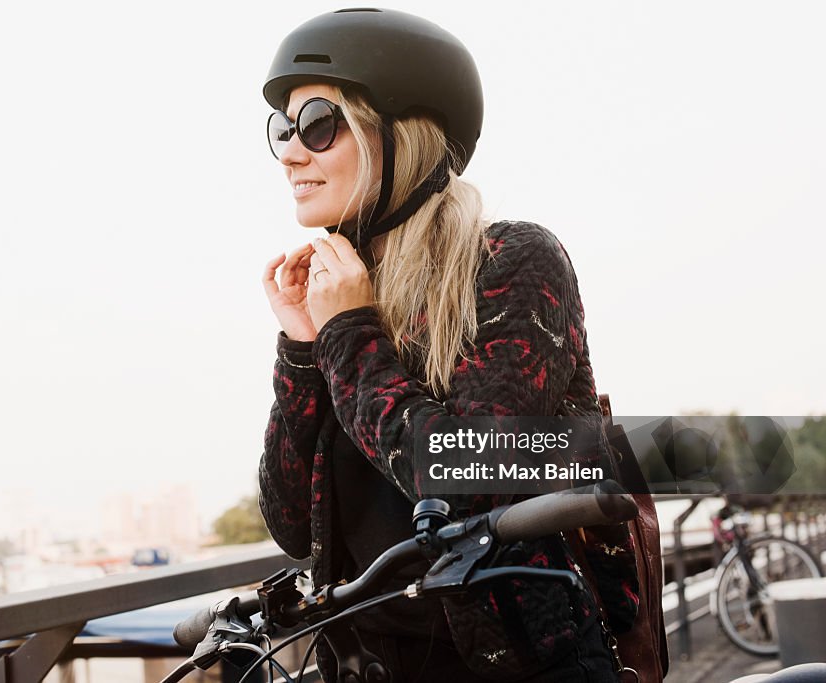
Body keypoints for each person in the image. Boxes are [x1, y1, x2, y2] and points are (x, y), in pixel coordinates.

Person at [257, 9, 640, 682]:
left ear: (403, 134)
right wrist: (301, 347)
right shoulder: (341, 297)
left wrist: (347, 335)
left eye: (318, 123)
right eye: (282, 130)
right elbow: (292, 525)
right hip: (367, 665)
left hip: (522, 662)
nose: (291, 151)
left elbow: (467, 473)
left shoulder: (512, 261)